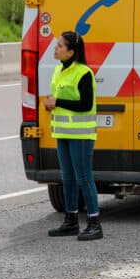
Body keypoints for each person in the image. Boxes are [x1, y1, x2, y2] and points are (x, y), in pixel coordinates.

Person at [44, 30, 103, 241]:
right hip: (63, 132)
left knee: (83, 177)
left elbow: (85, 104)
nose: (56, 48)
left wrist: (57, 102)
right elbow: (61, 99)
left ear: (72, 51)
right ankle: (70, 221)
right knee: (67, 177)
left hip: (81, 135)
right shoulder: (59, 70)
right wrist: (51, 103)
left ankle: (94, 223)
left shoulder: (83, 72)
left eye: (60, 45)